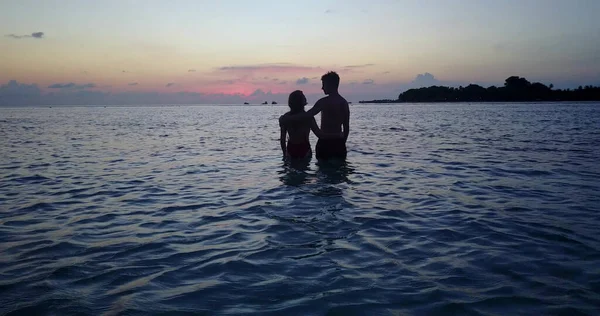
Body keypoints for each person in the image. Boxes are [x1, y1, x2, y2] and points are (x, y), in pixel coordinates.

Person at [279, 71, 349, 160]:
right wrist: (341, 142)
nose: (322, 88)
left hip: (324, 143)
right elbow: (346, 128)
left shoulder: (323, 102)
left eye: (324, 85)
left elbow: (307, 115)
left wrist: (285, 119)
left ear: (330, 85)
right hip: (339, 142)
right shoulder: (344, 103)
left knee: (322, 170)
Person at [279, 90, 337, 160]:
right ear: (302, 101)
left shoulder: (285, 118)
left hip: (291, 148)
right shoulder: (308, 117)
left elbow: (282, 139)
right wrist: (337, 135)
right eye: (304, 97)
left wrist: (284, 154)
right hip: (304, 148)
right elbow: (319, 135)